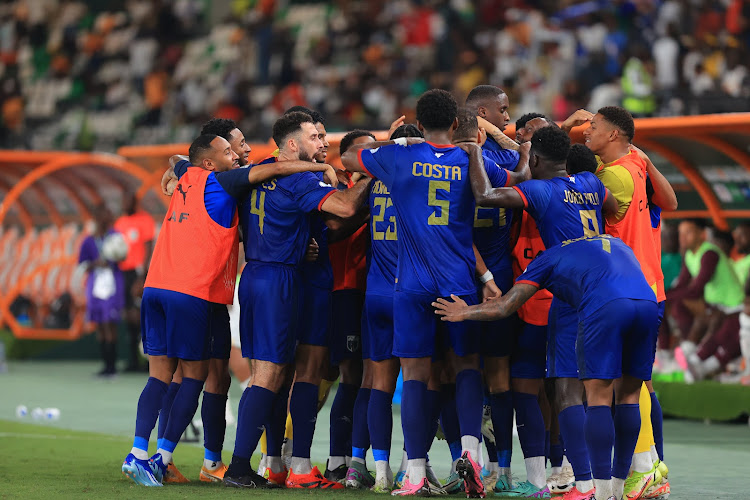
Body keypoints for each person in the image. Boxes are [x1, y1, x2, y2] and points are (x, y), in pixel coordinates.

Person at [123, 132, 336, 487]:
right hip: (193, 291)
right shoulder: (223, 181)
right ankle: (160, 457)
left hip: (156, 284)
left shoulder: (188, 174)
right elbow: (271, 171)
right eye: (231, 149)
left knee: (166, 376)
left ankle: (146, 453)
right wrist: (323, 166)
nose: (240, 154)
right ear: (210, 161)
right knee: (196, 376)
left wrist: (173, 165)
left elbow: (179, 159)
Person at [341, 89, 505, 498]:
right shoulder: (470, 160)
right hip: (458, 283)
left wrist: (399, 140)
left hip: (410, 287)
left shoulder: (397, 158)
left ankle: (413, 472)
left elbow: (346, 158)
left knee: (413, 375)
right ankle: (471, 454)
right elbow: (514, 179)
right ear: (454, 124)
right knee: (466, 366)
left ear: (420, 120)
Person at [433, 234, 659, 500]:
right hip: (647, 303)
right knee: (629, 396)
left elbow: (506, 305)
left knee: (598, 398)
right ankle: (620, 489)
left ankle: (600, 493)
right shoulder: (606, 241)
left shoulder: (546, 260)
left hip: (606, 306)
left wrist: (465, 312)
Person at [224, 111, 371, 489]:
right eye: (316, 137)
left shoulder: (255, 172)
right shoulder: (300, 178)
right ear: (293, 144)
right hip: (287, 280)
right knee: (293, 373)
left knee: (272, 374)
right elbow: (343, 211)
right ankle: (290, 468)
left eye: (324, 137)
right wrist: (375, 174)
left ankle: (272, 463)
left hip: (253, 276)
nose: (324, 144)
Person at [469, 125, 616, 499]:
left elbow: (485, 195)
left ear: (534, 160)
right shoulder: (589, 182)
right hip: (607, 290)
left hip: (567, 295)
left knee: (562, 392)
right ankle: (605, 480)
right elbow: (614, 208)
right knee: (598, 393)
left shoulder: (540, 189)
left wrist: (472, 152)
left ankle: (583, 484)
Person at [464, 84, 523, 494]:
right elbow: (527, 172)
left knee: (457, 371)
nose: (508, 117)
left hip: (458, 277)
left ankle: (467, 463)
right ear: (483, 113)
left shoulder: (451, 158)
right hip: (501, 278)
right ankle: (503, 471)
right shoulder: (506, 156)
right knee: (500, 376)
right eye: (502, 110)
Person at [79, 204, 126, 377]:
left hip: (112, 283)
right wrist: (94, 264)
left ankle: (112, 366)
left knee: (110, 324)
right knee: (99, 324)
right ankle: (105, 365)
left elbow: (123, 256)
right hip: (95, 284)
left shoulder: (115, 236)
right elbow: (82, 264)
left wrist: (115, 257)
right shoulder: (89, 240)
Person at [114, 193, 155, 372]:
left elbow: (148, 247)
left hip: (139, 273)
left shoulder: (145, 220)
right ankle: (133, 361)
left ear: (134, 202)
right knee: (128, 315)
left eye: (127, 201)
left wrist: (143, 274)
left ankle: (149, 360)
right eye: (122, 201)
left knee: (142, 316)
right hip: (123, 272)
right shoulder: (120, 222)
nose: (124, 204)